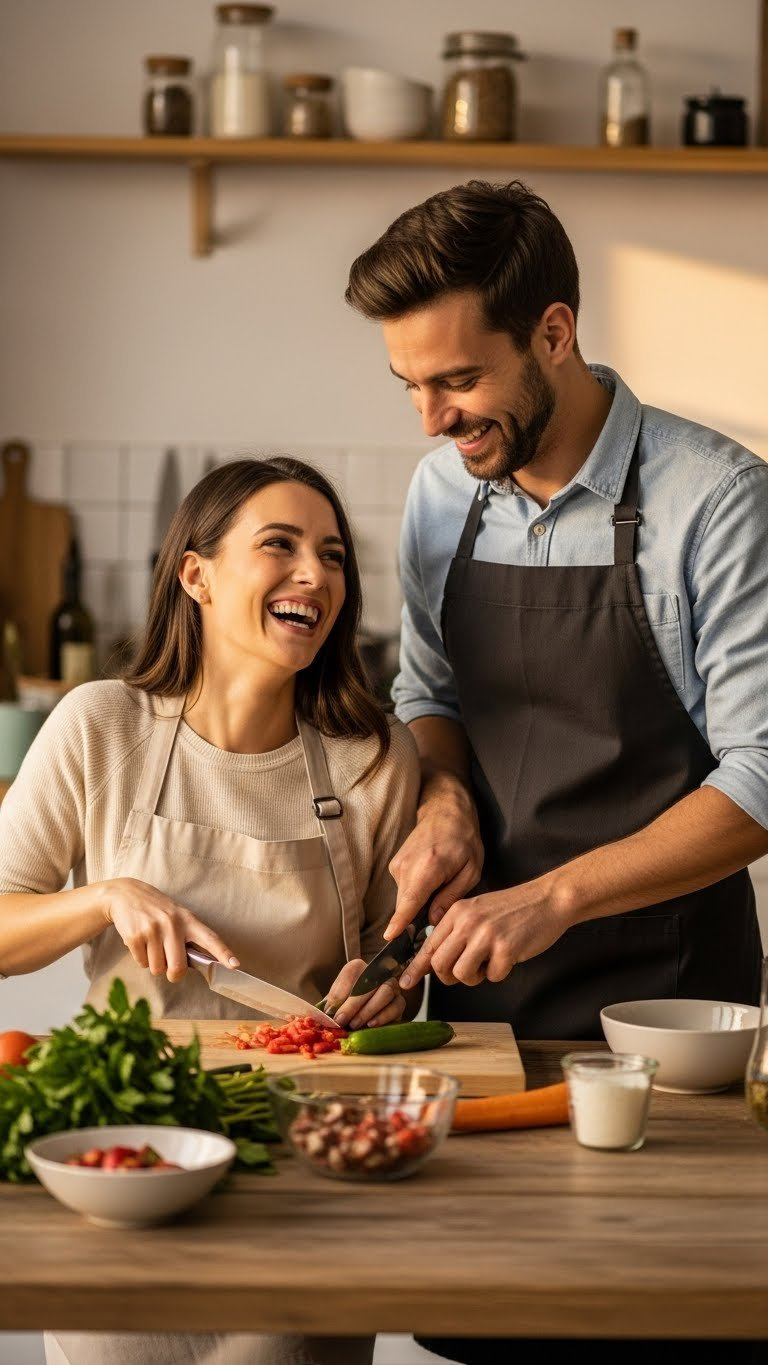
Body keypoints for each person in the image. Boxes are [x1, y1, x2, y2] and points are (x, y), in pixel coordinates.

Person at [345, 180, 768, 1363]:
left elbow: (766, 773)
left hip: (667, 1009)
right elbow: (431, 697)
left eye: (459, 380)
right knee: (487, 1323)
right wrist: (442, 800)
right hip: (480, 1005)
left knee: (656, 1319)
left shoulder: (714, 502)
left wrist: (559, 894)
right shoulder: (444, 495)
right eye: (411, 386)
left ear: (555, 333)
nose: (431, 419)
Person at [0, 455, 420, 1365]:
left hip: (308, 1166)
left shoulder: (375, 759)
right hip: (126, 1167)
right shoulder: (99, 725)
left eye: (334, 555)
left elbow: (395, 968)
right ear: (196, 574)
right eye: (281, 545)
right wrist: (103, 898)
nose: (317, 573)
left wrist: (388, 992)